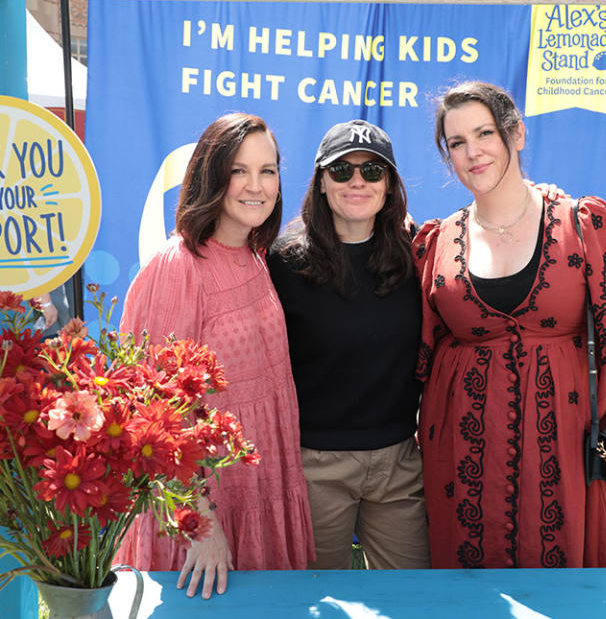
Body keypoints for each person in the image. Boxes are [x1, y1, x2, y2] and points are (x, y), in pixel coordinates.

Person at [413, 81, 606, 569]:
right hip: (464, 443)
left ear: (516, 134)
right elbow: (423, 349)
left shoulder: (584, 223)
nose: (472, 152)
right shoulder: (436, 241)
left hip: (567, 436)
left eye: (484, 134)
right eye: (456, 143)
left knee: (565, 573)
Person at [116, 113, 314, 598]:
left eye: (268, 170)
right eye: (239, 170)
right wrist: (199, 525)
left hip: (261, 483)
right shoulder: (177, 266)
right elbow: (153, 414)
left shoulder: (254, 253)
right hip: (206, 509)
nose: (257, 185)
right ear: (211, 174)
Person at [267, 120, 429, 570]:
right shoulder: (282, 262)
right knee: (320, 603)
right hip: (314, 464)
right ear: (321, 182)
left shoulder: (418, 255)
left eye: (372, 171)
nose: (357, 181)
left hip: (399, 460)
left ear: (390, 186)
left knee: (412, 597)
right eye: (341, 171)